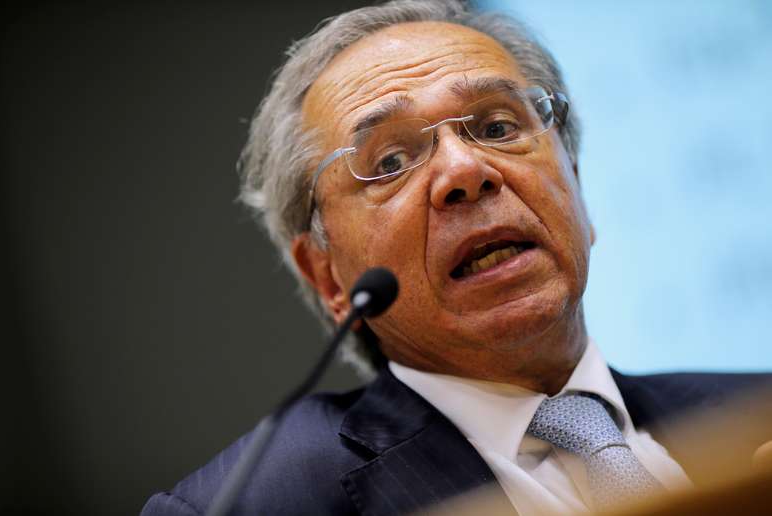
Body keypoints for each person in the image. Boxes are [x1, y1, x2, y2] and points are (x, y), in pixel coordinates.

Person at [141, 1, 771, 515]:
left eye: (497, 127)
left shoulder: (757, 419)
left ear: (577, 187)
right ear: (327, 276)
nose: (465, 172)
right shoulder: (257, 503)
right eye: (389, 162)